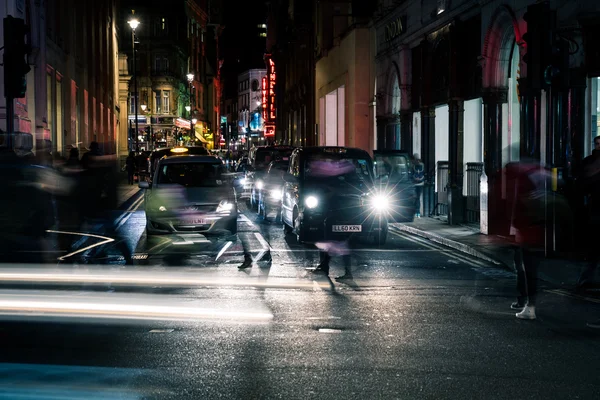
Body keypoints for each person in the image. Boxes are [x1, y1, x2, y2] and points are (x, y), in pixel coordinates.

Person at [576, 135, 600, 291]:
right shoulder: (589, 162)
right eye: (597, 143)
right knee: (593, 248)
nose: (599, 146)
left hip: (595, 208)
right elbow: (582, 183)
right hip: (595, 208)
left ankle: (585, 279)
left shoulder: (589, 163)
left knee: (594, 249)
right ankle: (585, 280)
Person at [412, 154, 425, 218]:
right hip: (418, 183)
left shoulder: (414, 165)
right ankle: (417, 212)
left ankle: (417, 212)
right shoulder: (420, 165)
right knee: (417, 198)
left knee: (416, 198)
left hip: (417, 183)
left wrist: (415, 178)